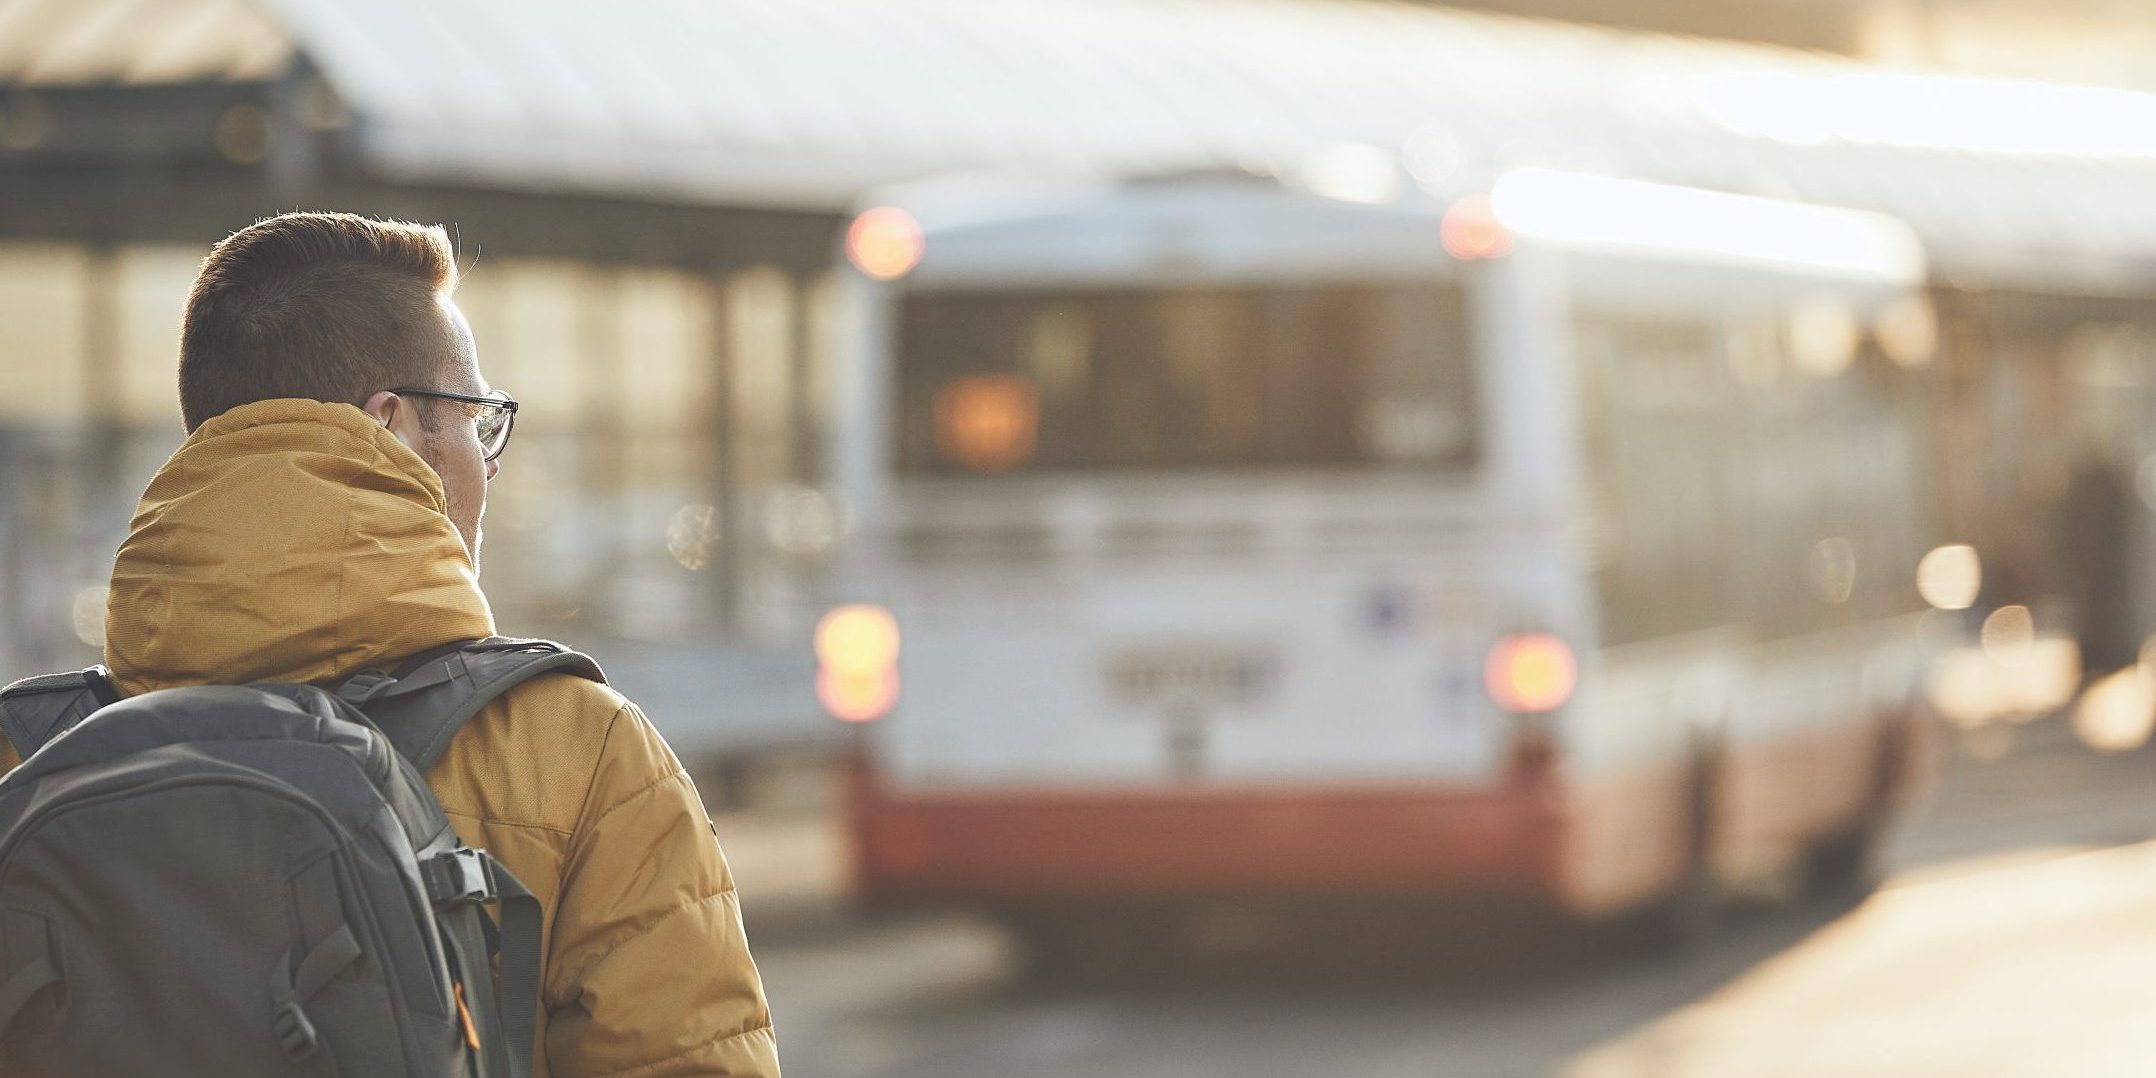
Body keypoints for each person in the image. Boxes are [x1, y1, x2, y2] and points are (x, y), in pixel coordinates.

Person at [0, 212, 780, 1077]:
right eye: (478, 421)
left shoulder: (29, 754)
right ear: (394, 428)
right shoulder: (577, 752)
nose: (489, 464)